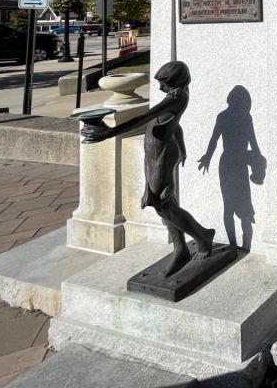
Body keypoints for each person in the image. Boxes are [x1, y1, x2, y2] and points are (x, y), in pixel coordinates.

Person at [79, 60, 214, 276]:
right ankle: (181, 247)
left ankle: (202, 236)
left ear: (177, 83)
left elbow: (144, 117)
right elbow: (175, 124)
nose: (161, 89)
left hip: (160, 156)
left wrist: (109, 133)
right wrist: (182, 148)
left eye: (165, 85)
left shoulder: (176, 97)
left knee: (163, 204)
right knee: (160, 202)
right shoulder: (176, 96)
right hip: (154, 153)